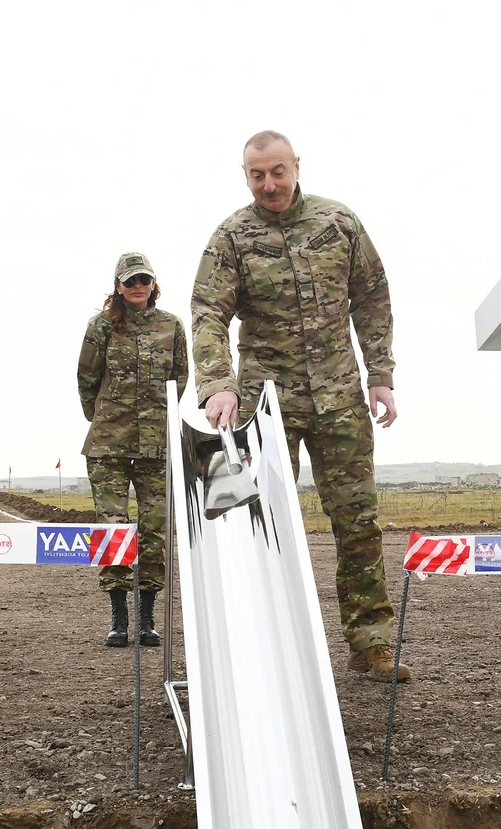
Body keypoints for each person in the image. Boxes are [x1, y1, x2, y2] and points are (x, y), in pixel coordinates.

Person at [191, 130, 409, 682]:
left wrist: (380, 375)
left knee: (357, 523)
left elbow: (373, 295)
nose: (269, 184)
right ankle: (265, 647)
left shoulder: (339, 223)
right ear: (245, 176)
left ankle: (371, 643)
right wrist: (218, 383)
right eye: (257, 175)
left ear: (295, 167)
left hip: (341, 398)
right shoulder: (232, 238)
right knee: (259, 523)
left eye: (277, 172)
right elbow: (208, 311)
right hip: (267, 404)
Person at [78, 252, 189, 648]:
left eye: (143, 280)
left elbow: (179, 379)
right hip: (108, 446)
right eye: (130, 281)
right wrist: (108, 419)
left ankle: (147, 618)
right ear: (118, 287)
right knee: (113, 530)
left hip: (156, 447)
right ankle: (118, 618)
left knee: (154, 530)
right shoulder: (102, 327)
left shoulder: (171, 326)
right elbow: (86, 382)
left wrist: (155, 422)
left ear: (153, 284)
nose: (137, 287)